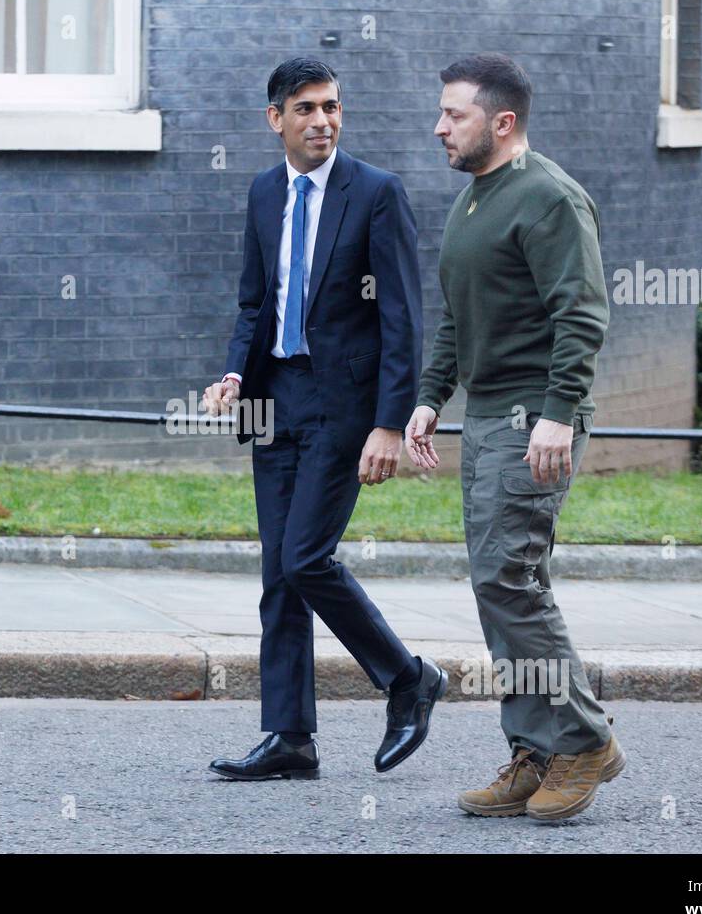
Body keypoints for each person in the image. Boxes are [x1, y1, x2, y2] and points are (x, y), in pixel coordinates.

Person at [202, 57, 446, 781]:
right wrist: (236, 371)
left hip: (343, 408)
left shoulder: (374, 193)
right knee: (280, 575)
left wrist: (389, 423)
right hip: (274, 399)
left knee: (306, 556)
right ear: (274, 119)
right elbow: (256, 302)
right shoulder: (261, 192)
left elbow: (403, 317)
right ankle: (290, 737)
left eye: (331, 106)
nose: (322, 121)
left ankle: (406, 677)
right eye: (305, 108)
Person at [406, 53, 624, 821]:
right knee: (502, 589)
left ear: (502, 122)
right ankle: (535, 749)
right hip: (489, 414)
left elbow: (583, 314)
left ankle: (586, 740)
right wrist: (431, 398)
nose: (438, 127)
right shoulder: (474, 201)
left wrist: (560, 413)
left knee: (511, 581)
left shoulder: (549, 198)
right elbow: (456, 316)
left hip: (534, 417)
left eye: (453, 114)